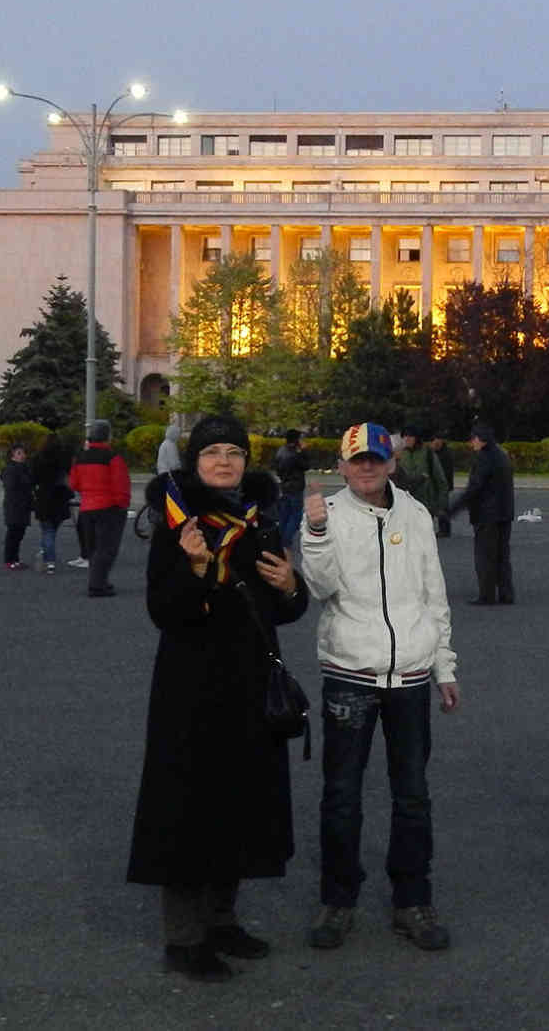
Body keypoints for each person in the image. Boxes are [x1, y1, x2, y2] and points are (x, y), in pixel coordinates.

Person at [126, 413, 309, 984]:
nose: (224, 462)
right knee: (188, 806)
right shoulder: (178, 523)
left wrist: (292, 588)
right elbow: (163, 610)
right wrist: (198, 569)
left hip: (249, 679)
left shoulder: (259, 519)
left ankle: (223, 920)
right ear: (194, 462)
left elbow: (282, 608)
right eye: (212, 453)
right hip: (191, 685)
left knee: (239, 802)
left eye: (233, 452)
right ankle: (184, 939)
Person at [298, 422, 460, 953]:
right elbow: (320, 588)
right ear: (341, 467)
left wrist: (444, 667)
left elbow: (432, 595)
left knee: (412, 795)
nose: (366, 468)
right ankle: (338, 900)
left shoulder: (414, 514)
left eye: (375, 459)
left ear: (391, 462)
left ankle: (412, 899)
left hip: (411, 676)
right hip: (350, 672)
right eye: (356, 461)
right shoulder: (329, 516)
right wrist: (317, 533)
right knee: (341, 796)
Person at [448, 423, 514, 605]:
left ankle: (487, 594)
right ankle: (506, 593)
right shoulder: (501, 455)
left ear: (481, 439)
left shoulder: (483, 458)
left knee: (485, 556)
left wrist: (453, 509)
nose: (471, 443)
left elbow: (475, 488)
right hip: (504, 512)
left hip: (487, 514)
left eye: (473, 438)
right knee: (502, 555)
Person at [69, 421, 132, 597]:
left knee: (94, 548)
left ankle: (99, 582)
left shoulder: (80, 457)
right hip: (109, 508)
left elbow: (74, 483)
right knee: (106, 549)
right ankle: (98, 585)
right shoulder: (113, 457)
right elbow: (121, 484)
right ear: (108, 436)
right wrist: (122, 505)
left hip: (87, 507)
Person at [32, 435, 74, 574]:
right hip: (60, 498)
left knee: (47, 530)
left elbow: (33, 478)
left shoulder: (38, 458)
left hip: (44, 497)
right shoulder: (63, 458)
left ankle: (49, 560)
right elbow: (69, 474)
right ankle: (47, 555)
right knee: (52, 530)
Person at [393, 426, 450, 523]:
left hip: (425, 503)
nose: (406, 439)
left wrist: (441, 505)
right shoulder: (400, 453)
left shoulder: (428, 452)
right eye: (405, 436)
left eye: (410, 436)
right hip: (405, 503)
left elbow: (440, 479)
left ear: (417, 438)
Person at [269, 429, 309, 551]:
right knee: (296, 517)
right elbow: (306, 465)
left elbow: (276, 467)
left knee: (284, 516)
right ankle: (286, 542)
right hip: (295, 487)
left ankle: (280, 541)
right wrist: (304, 451)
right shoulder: (294, 454)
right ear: (296, 440)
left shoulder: (281, 451)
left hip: (284, 486)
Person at [0, 444, 34, 570]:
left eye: (23, 453)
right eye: (19, 453)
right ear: (12, 455)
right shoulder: (11, 469)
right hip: (14, 505)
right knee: (13, 534)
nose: (23, 455)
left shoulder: (24, 468)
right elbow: (11, 487)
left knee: (20, 533)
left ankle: (15, 559)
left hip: (23, 505)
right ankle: (9, 560)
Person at [427, 431, 456, 537]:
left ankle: (445, 529)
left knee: (442, 506)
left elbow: (446, 472)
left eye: (436, 442)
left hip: (442, 484)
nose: (434, 444)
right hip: (438, 484)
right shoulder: (437, 453)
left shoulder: (445, 454)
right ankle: (443, 528)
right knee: (437, 506)